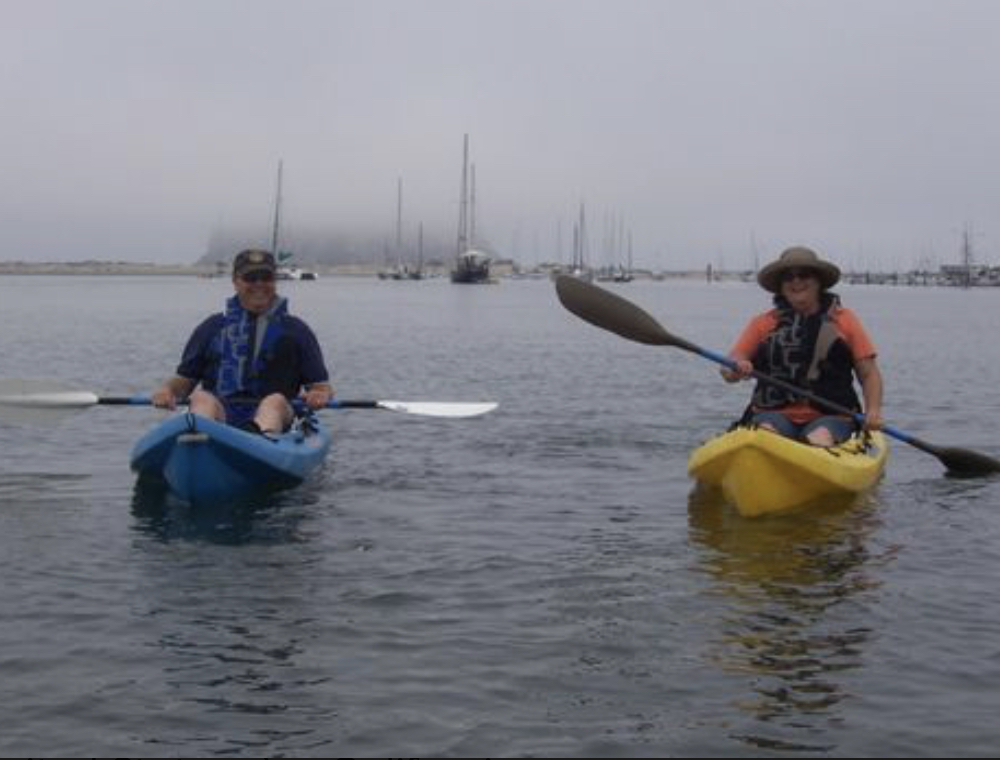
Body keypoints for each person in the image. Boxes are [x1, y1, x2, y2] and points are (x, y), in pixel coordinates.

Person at [151, 249, 333, 435]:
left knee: (274, 401)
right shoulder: (211, 328)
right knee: (201, 397)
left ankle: (262, 439)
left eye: (266, 277)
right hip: (220, 415)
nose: (259, 284)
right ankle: (200, 438)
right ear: (235, 281)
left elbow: (321, 386)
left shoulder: (297, 331)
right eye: (251, 278)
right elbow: (184, 381)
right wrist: (167, 391)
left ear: (275, 281)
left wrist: (319, 395)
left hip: (279, 418)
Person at [721, 246, 883, 447]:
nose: (796, 281)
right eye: (788, 277)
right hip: (772, 415)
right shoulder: (762, 324)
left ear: (818, 282)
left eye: (804, 275)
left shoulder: (845, 320)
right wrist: (735, 367)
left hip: (832, 417)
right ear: (781, 286)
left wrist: (873, 411)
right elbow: (730, 364)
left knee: (819, 437)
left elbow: (869, 374)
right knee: (765, 435)